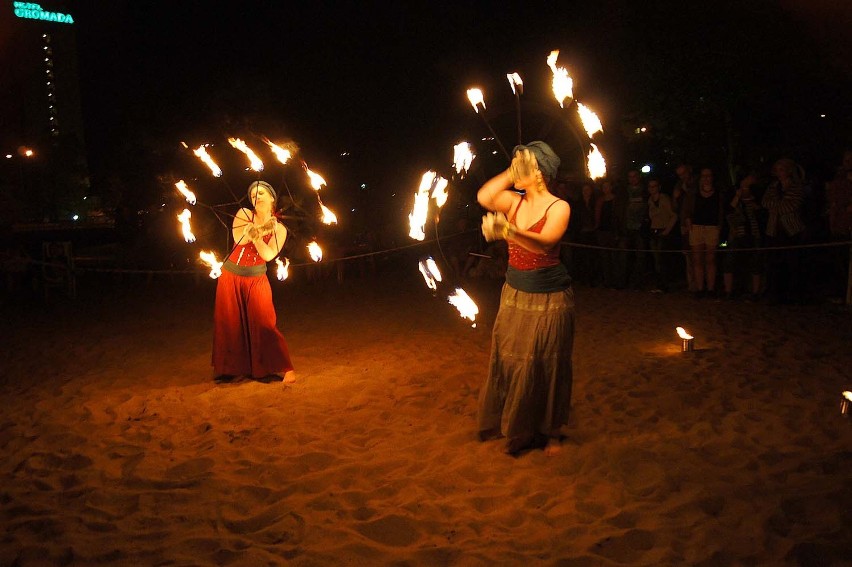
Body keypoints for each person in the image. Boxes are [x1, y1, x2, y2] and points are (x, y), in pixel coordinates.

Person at [476, 142, 574, 457]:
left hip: (549, 299)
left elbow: (545, 245)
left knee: (547, 364)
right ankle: (517, 427)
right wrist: (510, 171)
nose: (514, 169)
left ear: (539, 172)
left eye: (521, 165)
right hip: (515, 294)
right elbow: (485, 197)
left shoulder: (559, 207)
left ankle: (551, 432)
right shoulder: (514, 202)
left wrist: (509, 232)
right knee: (511, 360)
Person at [212, 180, 296, 383]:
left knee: (264, 322)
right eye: (253, 195)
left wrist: (259, 236)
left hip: (256, 278)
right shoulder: (244, 214)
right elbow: (238, 239)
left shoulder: (280, 230)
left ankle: (278, 367)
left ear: (272, 199)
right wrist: (253, 230)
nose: (256, 197)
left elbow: (268, 255)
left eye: (261, 193)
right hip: (230, 275)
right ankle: (231, 369)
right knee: (229, 323)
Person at [683, 168, 724, 298]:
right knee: (697, 259)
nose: (706, 178)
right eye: (703, 176)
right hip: (696, 227)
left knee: (711, 259)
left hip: (712, 227)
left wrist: (720, 225)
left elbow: (721, 210)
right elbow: (686, 208)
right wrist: (688, 220)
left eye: (708, 175)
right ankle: (700, 289)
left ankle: (710, 289)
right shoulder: (693, 193)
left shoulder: (719, 193)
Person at [646, 177, 678, 292]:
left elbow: (674, 215)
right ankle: (660, 283)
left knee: (662, 259)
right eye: (650, 186)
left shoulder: (664, 199)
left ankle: (664, 284)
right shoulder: (650, 200)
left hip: (662, 231)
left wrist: (666, 231)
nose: (652, 188)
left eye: (654, 186)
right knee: (656, 260)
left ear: (659, 187)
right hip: (654, 231)